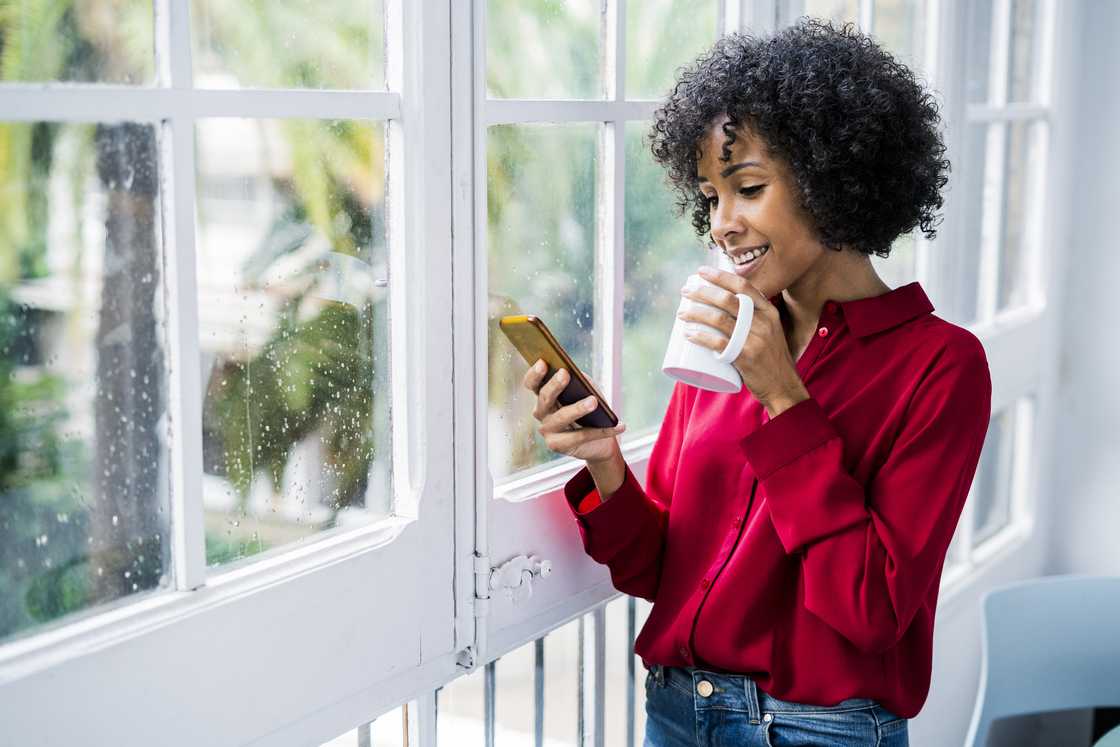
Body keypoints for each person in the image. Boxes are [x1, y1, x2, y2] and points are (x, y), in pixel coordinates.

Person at [521, 18, 990, 747]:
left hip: (819, 732)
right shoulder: (720, 342)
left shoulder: (941, 367)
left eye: (747, 187)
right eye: (710, 196)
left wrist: (783, 397)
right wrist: (605, 463)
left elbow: (870, 610)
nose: (722, 224)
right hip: (677, 713)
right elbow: (662, 571)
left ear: (835, 178)